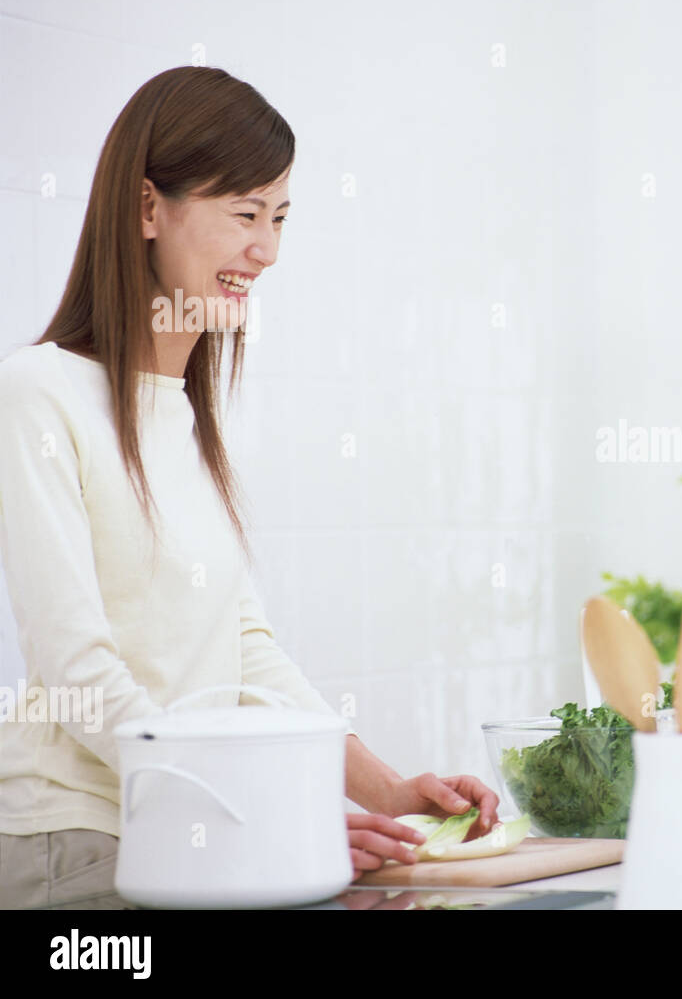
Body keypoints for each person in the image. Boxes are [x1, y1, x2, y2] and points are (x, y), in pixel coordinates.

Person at [0, 66, 498, 909]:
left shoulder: (184, 424)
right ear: (148, 209)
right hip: (79, 844)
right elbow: (78, 667)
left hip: (183, 839)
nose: (265, 251)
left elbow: (245, 650)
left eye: (278, 218)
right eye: (243, 215)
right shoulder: (38, 393)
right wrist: (262, 817)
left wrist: (387, 791)